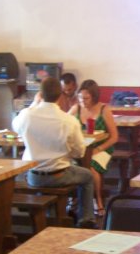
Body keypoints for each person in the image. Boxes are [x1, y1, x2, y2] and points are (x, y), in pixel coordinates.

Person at [12, 77, 97, 228]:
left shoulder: (26, 115)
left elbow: (15, 127)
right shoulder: (68, 120)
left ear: (40, 94)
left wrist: (34, 103)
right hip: (58, 175)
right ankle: (86, 219)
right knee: (88, 176)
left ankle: (50, 214)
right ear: (60, 95)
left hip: (34, 176)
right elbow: (79, 152)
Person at [68, 79, 119, 215]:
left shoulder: (104, 110)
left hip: (101, 147)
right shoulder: (76, 109)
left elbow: (114, 137)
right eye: (80, 97)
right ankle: (73, 198)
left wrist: (98, 149)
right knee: (68, 166)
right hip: (80, 149)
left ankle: (98, 201)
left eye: (86, 98)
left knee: (90, 167)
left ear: (94, 97)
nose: (82, 101)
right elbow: (63, 124)